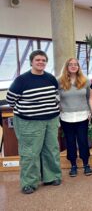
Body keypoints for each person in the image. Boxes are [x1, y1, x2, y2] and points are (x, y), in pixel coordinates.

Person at [6, 50, 61, 194]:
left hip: (51, 120)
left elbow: (55, 96)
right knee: (30, 153)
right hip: (29, 122)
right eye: (38, 60)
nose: (41, 62)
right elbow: (10, 100)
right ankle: (29, 182)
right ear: (31, 62)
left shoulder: (51, 78)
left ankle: (52, 176)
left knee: (51, 149)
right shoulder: (21, 80)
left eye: (43, 60)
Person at [58, 58, 92, 177]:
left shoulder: (85, 80)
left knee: (83, 141)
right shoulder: (60, 81)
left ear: (78, 67)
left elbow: (89, 98)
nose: (73, 66)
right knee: (70, 142)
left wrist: (90, 112)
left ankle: (86, 164)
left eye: (75, 64)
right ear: (66, 66)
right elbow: (56, 98)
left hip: (82, 115)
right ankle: (73, 165)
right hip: (66, 116)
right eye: (70, 64)